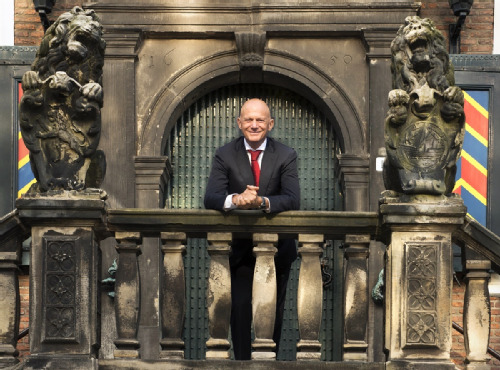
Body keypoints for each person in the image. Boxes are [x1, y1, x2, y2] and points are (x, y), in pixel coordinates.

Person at [204, 98, 300, 360]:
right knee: (241, 308)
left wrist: (262, 201)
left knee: (271, 311)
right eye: (248, 119)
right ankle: (243, 363)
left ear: (270, 124)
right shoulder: (224, 154)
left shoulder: (286, 154)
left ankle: (269, 362)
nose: (254, 125)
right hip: (240, 249)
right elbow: (211, 197)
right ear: (239, 123)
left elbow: (292, 198)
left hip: (278, 249)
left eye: (260, 120)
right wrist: (235, 199)